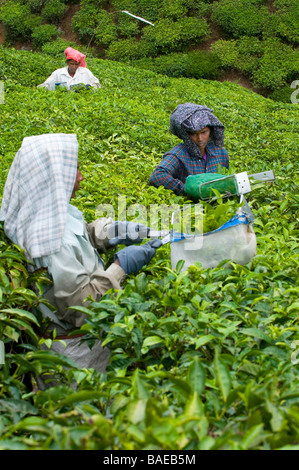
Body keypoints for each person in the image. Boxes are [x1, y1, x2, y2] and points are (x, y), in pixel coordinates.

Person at [0, 133, 161, 375]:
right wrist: (120, 266)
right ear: (53, 176)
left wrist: (113, 231)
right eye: (73, 170)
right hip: (75, 352)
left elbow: (79, 233)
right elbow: (82, 307)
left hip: (86, 342)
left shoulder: (50, 207)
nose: (80, 177)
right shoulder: (51, 244)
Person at [149, 103, 229, 196]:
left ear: (210, 131)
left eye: (204, 132)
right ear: (186, 135)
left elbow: (226, 181)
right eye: (193, 134)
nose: (200, 139)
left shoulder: (221, 154)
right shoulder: (179, 154)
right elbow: (157, 176)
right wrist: (187, 190)